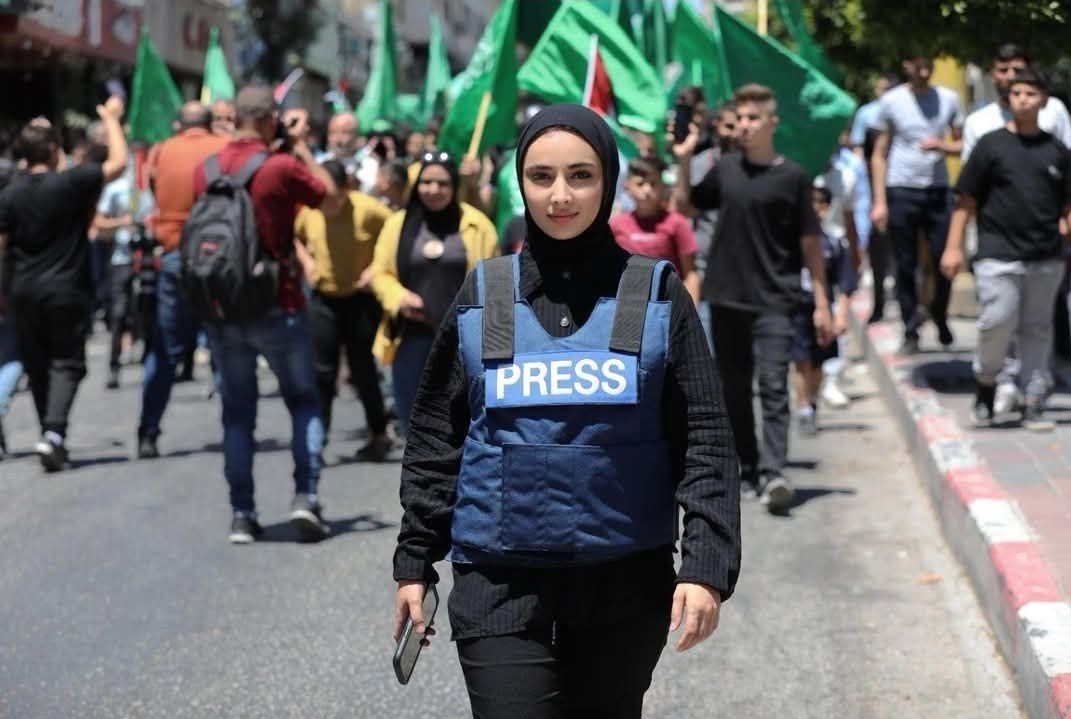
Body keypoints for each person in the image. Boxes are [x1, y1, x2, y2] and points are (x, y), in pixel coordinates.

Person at [390, 104, 740, 719]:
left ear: (607, 181)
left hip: (624, 584)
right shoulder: (484, 293)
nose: (560, 196)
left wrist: (706, 565)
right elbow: (436, 437)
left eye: (580, 176)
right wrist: (415, 559)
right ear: (520, 183)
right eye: (541, 176)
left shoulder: (657, 294)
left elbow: (705, 438)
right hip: (497, 583)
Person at [190, 86, 339, 544]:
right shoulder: (280, 167)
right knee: (303, 401)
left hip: (222, 307)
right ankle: (305, 497)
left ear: (235, 117)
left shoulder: (206, 169)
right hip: (279, 302)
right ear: (272, 118)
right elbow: (332, 199)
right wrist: (299, 146)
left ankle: (242, 514)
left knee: (237, 415)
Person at [673, 83, 833, 511]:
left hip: (776, 299)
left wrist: (822, 302)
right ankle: (749, 466)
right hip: (726, 296)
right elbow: (685, 207)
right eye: (740, 118)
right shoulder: (725, 169)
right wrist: (684, 158)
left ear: (771, 123)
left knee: (773, 385)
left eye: (753, 118)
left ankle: (775, 471)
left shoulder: (793, 177)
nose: (744, 125)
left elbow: (810, 243)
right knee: (734, 390)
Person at [940, 68, 1071, 431]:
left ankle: (1033, 399)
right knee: (996, 322)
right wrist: (952, 248)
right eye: (1016, 94)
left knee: (1037, 329)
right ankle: (986, 382)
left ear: (1044, 100)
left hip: (1045, 254)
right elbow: (965, 201)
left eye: (1030, 94)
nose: (1023, 100)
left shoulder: (1057, 151)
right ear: (1008, 99)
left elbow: (1067, 204)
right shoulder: (990, 146)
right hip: (998, 252)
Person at [0, 98, 128, 470]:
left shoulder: (9, 195)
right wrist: (111, 119)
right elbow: (118, 163)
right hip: (66, 290)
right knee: (67, 363)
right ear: (55, 150)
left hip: (23, 291)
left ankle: (49, 434)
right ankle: (53, 434)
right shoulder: (71, 182)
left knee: (37, 364)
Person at [368, 151, 497, 439]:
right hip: (411, 340)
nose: (433, 190)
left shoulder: (478, 225)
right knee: (414, 429)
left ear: (454, 186)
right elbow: (380, 273)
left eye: (442, 183)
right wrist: (398, 297)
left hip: (463, 342)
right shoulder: (397, 225)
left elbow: (493, 278)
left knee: (463, 427)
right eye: (426, 182)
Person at [136, 102, 229, 459]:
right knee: (226, 344)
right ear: (209, 123)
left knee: (163, 350)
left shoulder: (162, 151)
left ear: (180, 124)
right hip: (216, 256)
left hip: (173, 255)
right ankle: (235, 426)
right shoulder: (223, 148)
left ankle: (148, 431)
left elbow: (152, 190)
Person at [295, 159, 394, 461]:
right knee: (322, 372)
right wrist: (307, 262)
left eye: (332, 198)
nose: (327, 206)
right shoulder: (309, 211)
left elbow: (395, 232)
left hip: (359, 299)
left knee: (363, 370)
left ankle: (379, 434)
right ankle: (317, 439)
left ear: (347, 189)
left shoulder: (368, 209)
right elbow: (294, 236)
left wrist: (376, 268)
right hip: (324, 299)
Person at [870, 55, 965, 355]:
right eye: (917, 64)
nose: (924, 71)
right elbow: (879, 154)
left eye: (928, 64)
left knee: (943, 260)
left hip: (937, 189)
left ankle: (939, 311)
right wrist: (879, 201)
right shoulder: (891, 101)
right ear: (906, 66)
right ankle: (910, 327)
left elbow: (963, 144)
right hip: (901, 188)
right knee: (905, 263)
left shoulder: (948, 98)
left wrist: (943, 146)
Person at [793, 183, 856, 435]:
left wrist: (840, 316)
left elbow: (846, 284)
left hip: (824, 312)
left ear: (826, 207)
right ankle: (803, 410)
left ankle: (812, 400)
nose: (813, 208)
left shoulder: (833, 244)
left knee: (819, 364)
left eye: (818, 202)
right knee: (801, 360)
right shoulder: (792, 242)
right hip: (797, 307)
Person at [610, 156, 701, 305]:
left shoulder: (677, 223)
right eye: (640, 184)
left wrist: (692, 310)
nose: (647, 190)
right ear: (627, 186)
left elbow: (690, 273)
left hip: (667, 303)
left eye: (653, 184)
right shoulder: (615, 225)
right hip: (626, 304)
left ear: (663, 187)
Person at [851, 73, 899, 324]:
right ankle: (879, 303)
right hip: (872, 192)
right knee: (878, 247)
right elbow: (862, 154)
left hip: (902, 191)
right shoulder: (867, 117)